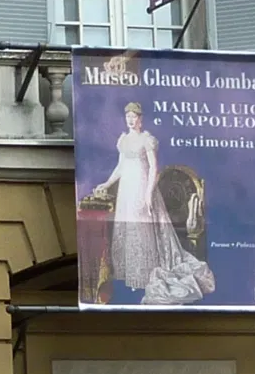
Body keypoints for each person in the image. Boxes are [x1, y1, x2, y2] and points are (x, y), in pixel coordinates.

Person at [92, 102, 215, 305]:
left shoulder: (147, 140)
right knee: (128, 227)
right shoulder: (123, 140)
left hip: (142, 185)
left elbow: (152, 168)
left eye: (134, 117)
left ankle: (144, 273)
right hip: (126, 189)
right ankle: (129, 272)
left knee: (143, 229)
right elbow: (120, 166)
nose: (131, 120)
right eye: (128, 117)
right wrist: (107, 183)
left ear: (141, 119)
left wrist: (148, 194)